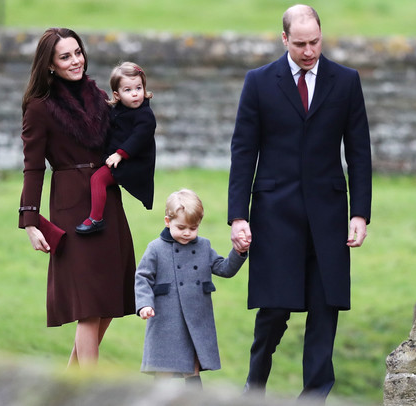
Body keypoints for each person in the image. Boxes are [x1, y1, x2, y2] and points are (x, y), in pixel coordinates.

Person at [228, 4, 372, 400]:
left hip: (328, 216)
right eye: (301, 43)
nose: (309, 51)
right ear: (284, 39)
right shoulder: (259, 82)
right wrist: (238, 216)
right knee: (273, 312)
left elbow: (359, 152)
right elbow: (243, 151)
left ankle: (314, 397)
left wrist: (360, 213)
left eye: (315, 42)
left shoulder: (345, 81)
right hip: (275, 215)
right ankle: (253, 390)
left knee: (325, 310)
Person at [18, 27, 137, 368]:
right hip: (71, 209)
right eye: (65, 56)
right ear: (50, 65)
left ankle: (68, 387)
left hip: (107, 202)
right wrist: (30, 221)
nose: (75, 61)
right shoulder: (39, 107)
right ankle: (90, 391)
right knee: (88, 306)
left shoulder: (99, 96)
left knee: (110, 299)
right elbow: (32, 167)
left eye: (78, 52)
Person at [134, 189, 248, 388]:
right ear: (167, 221)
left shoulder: (204, 246)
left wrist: (238, 252)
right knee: (164, 369)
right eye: (181, 227)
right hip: (166, 318)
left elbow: (223, 269)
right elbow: (142, 277)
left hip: (196, 319)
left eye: (193, 228)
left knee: (192, 369)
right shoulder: (155, 248)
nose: (187, 233)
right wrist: (144, 304)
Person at [76, 61, 157, 234]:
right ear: (117, 94)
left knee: (98, 179)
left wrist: (120, 154)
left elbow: (139, 138)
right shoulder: (117, 111)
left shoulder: (145, 115)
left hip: (133, 163)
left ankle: (96, 219)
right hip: (117, 158)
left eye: (138, 88)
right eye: (128, 90)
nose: (135, 94)